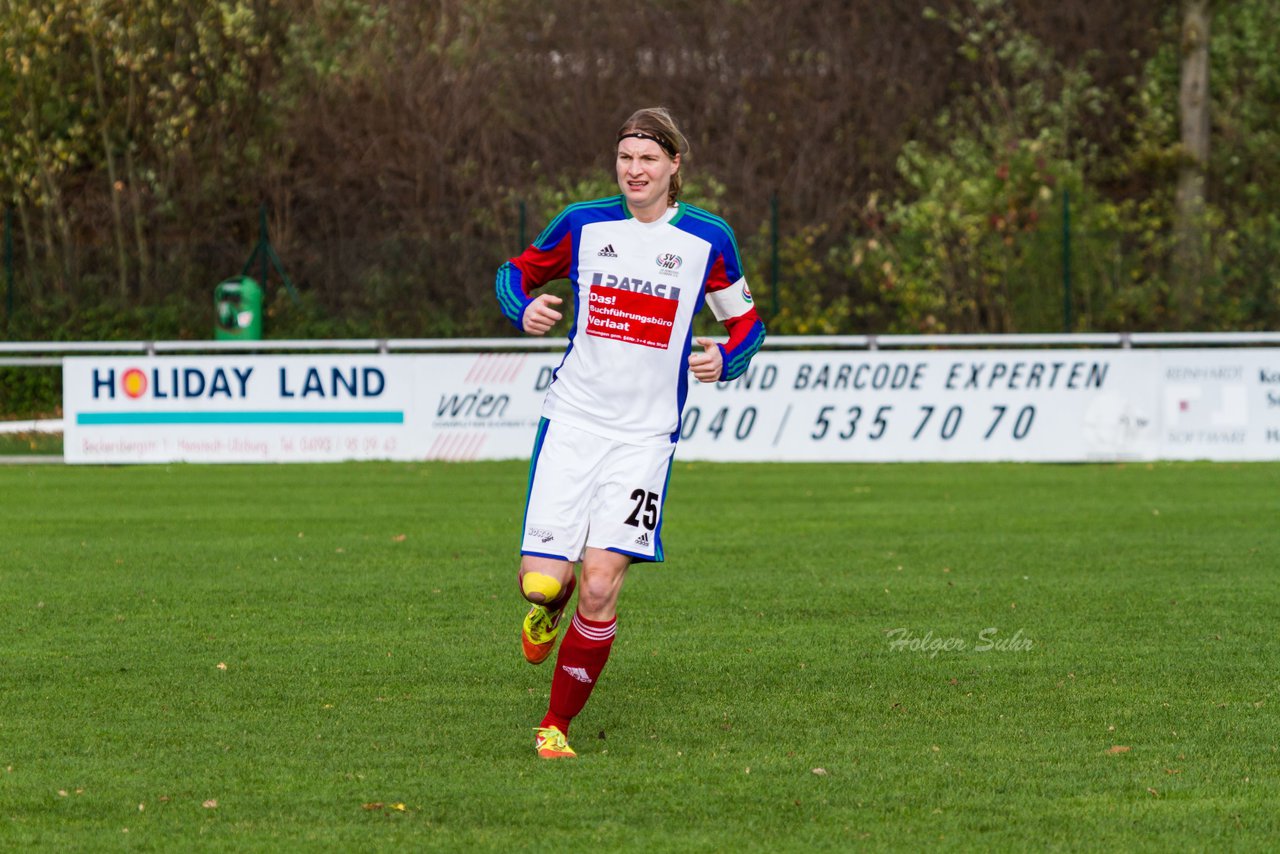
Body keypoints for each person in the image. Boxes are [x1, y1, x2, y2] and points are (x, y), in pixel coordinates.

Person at [495, 106, 765, 759]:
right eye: (625, 158)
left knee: (600, 581)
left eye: (648, 159)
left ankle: (554, 725)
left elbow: (748, 326)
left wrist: (724, 360)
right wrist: (522, 307)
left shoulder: (708, 239)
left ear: (675, 165)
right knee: (542, 582)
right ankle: (547, 609)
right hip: (573, 423)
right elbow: (514, 273)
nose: (634, 170)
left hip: (645, 438)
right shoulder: (583, 224)